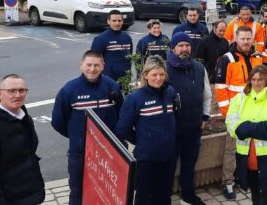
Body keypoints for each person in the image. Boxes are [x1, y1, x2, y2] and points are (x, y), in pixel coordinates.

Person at [52, 50, 123, 205]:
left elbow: (121, 115)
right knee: (78, 191)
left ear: (103, 66)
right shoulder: (69, 90)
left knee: (107, 191)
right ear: (81, 65)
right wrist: (78, 137)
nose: (92, 69)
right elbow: (58, 122)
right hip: (81, 153)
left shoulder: (112, 86)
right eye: (89, 65)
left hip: (108, 153)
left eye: (96, 65)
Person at [0, 74, 45, 205]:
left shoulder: (24, 118)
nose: (18, 95)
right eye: (11, 91)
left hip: (28, 194)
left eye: (22, 90)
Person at [225, 65, 267, 205]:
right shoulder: (241, 98)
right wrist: (260, 128)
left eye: (260, 80)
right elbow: (230, 122)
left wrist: (248, 128)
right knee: (255, 194)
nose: (256, 83)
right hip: (248, 159)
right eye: (253, 79)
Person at [116, 55, 178, 205]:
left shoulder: (170, 92)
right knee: (144, 196)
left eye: (161, 74)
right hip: (146, 158)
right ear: (145, 75)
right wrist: (141, 139)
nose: (158, 78)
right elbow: (122, 129)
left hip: (168, 155)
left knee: (164, 194)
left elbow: (174, 116)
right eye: (154, 74)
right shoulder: (135, 98)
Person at [215, 25, 263, 200]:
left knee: (251, 147)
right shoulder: (226, 60)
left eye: (248, 38)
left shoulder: (258, 57)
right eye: (242, 38)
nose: (246, 42)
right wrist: (229, 116)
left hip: (255, 113)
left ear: (252, 39)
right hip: (235, 115)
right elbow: (220, 90)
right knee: (231, 149)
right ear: (236, 39)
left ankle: (245, 179)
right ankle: (227, 182)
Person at [166, 32, 212, 205]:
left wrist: (205, 116)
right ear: (173, 48)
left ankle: (188, 195)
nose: (185, 49)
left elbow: (207, 94)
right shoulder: (164, 69)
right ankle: (164, 197)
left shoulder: (199, 68)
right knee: (169, 165)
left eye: (187, 45)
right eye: (180, 46)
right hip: (172, 127)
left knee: (189, 162)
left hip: (193, 125)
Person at [91, 9, 133, 82]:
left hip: (125, 80)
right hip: (108, 80)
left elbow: (130, 57)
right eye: (114, 21)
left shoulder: (127, 38)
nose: (117, 23)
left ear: (122, 21)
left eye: (119, 21)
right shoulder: (100, 39)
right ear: (108, 21)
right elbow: (94, 61)